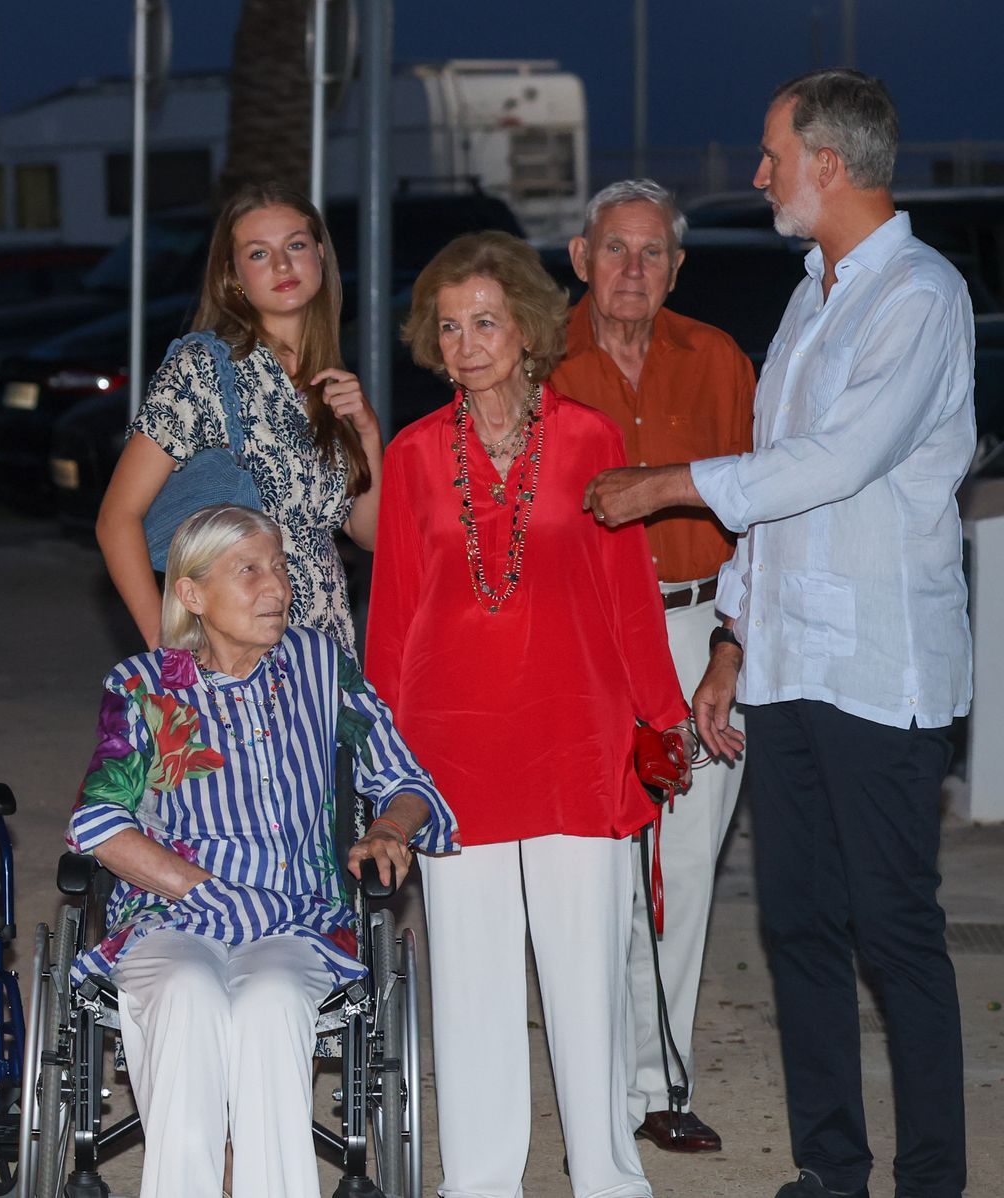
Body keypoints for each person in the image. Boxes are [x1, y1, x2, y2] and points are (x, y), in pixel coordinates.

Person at [584, 69, 973, 1198]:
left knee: (893, 932)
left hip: (880, 669)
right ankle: (830, 1170)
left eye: (769, 155)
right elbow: (778, 503)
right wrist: (731, 642)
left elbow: (832, 464)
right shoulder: (811, 295)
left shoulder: (918, 294)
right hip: (788, 665)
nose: (755, 176)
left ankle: (933, 1179)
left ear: (828, 165)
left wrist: (666, 483)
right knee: (798, 927)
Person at [365, 231, 692, 1198]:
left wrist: (664, 721)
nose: (467, 342)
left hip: (574, 741)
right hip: (450, 751)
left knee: (587, 981)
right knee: (471, 993)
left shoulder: (591, 438)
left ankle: (607, 1179)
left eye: (486, 322)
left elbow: (629, 594)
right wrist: (381, 760)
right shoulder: (415, 454)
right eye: (450, 326)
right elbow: (391, 619)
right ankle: (479, 1183)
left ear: (528, 328)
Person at [67, 504, 457, 1198]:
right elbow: (99, 824)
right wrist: (208, 892)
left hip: (296, 917)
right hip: (171, 914)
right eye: (248, 572)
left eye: (279, 568)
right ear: (191, 594)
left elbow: (405, 779)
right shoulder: (146, 687)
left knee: (271, 1001)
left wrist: (391, 829)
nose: (275, 588)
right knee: (185, 995)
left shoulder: (318, 666)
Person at [551, 178, 755, 1155]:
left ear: (677, 266)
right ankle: (599, 1073)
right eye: (614, 249)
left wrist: (732, 645)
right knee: (600, 870)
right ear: (580, 257)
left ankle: (658, 1080)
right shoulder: (539, 358)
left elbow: (766, 511)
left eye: (653, 253)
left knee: (684, 865)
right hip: (586, 640)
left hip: (699, 628)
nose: (633, 270)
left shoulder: (717, 360)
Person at [96, 182, 382, 657]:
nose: (283, 265)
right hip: (232, 651)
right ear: (233, 276)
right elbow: (116, 518)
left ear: (320, 254)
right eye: (258, 253)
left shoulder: (330, 379)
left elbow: (366, 536)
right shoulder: (204, 367)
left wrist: (368, 434)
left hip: (323, 648)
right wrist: (165, 645)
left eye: (295, 245)